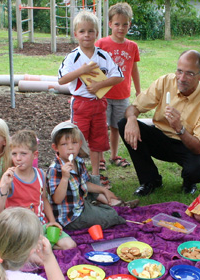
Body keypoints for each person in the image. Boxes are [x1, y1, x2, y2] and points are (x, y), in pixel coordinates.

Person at [118, 49, 200, 196]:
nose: (182, 78)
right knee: (124, 124)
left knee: (198, 169)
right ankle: (150, 180)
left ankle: (189, 182)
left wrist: (179, 128)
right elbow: (134, 107)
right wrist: (132, 119)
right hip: (160, 137)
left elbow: (198, 148)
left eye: (190, 74)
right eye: (179, 71)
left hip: (186, 143)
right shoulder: (166, 81)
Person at [58, 10, 124, 186]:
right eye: (82, 31)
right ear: (75, 34)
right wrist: (82, 71)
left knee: (97, 140)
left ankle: (95, 176)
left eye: (90, 31)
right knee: (76, 140)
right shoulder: (72, 57)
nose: (86, 35)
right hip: (80, 104)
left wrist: (99, 85)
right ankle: (75, 174)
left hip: (99, 104)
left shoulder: (103, 55)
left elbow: (119, 76)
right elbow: (62, 79)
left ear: (96, 33)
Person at [0, 130, 76, 250]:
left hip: (41, 225)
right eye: (14, 154)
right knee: (36, 252)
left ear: (35, 155)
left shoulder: (41, 174)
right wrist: (4, 187)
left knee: (70, 245)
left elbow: (43, 199)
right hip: (20, 228)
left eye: (23, 154)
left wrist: (52, 221)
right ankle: (40, 248)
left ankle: (41, 247)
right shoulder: (10, 178)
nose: (18, 158)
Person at [47, 121, 129, 232]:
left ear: (80, 144)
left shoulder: (78, 161)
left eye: (74, 143)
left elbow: (84, 183)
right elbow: (57, 199)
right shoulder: (54, 169)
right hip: (70, 217)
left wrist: (103, 190)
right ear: (55, 147)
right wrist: (65, 178)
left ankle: (101, 205)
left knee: (95, 187)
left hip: (80, 203)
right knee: (111, 215)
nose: (70, 148)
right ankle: (102, 208)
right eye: (64, 144)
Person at [95, 2, 141, 170]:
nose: (121, 28)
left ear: (129, 24)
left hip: (122, 95)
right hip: (104, 94)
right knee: (102, 127)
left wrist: (139, 90)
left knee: (116, 127)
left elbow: (134, 69)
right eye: (117, 24)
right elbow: (94, 67)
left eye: (125, 24)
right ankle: (100, 158)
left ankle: (114, 155)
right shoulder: (101, 44)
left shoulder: (132, 46)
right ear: (109, 24)